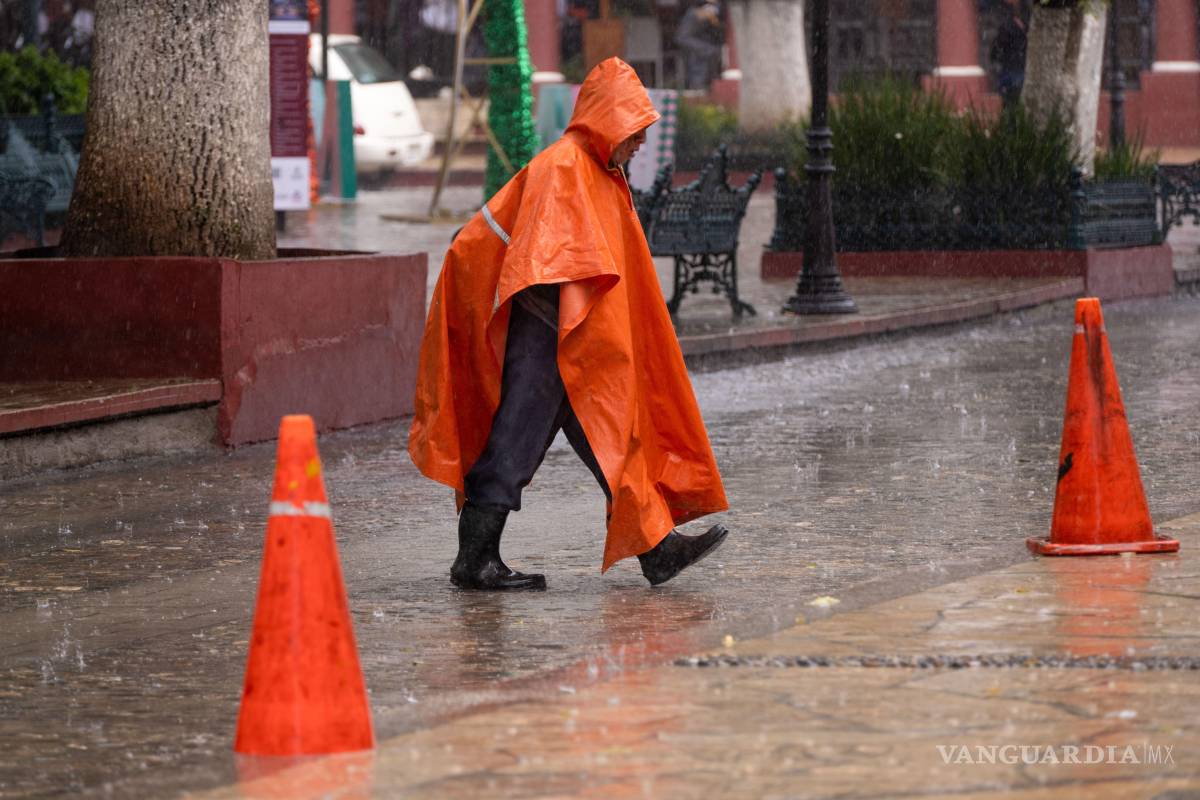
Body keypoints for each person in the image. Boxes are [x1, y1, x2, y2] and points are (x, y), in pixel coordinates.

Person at [410, 58, 730, 591]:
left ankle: (655, 547)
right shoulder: (565, 167)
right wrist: (579, 337)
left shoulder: (594, 171)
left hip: (569, 335)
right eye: (634, 130)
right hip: (550, 334)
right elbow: (543, 263)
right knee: (525, 438)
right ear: (608, 121)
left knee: (609, 437)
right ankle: (476, 560)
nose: (640, 142)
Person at [674, 0, 723, 91]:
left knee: (708, 53)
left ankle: (701, 86)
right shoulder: (693, 14)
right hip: (688, 42)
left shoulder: (713, 10)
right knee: (704, 55)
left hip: (698, 43)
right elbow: (681, 38)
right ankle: (698, 86)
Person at [990, 0, 1027, 112]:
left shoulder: (1022, 26)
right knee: (1011, 102)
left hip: (1015, 69)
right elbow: (997, 49)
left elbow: (996, 50)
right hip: (1012, 70)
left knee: (1011, 102)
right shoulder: (1008, 27)